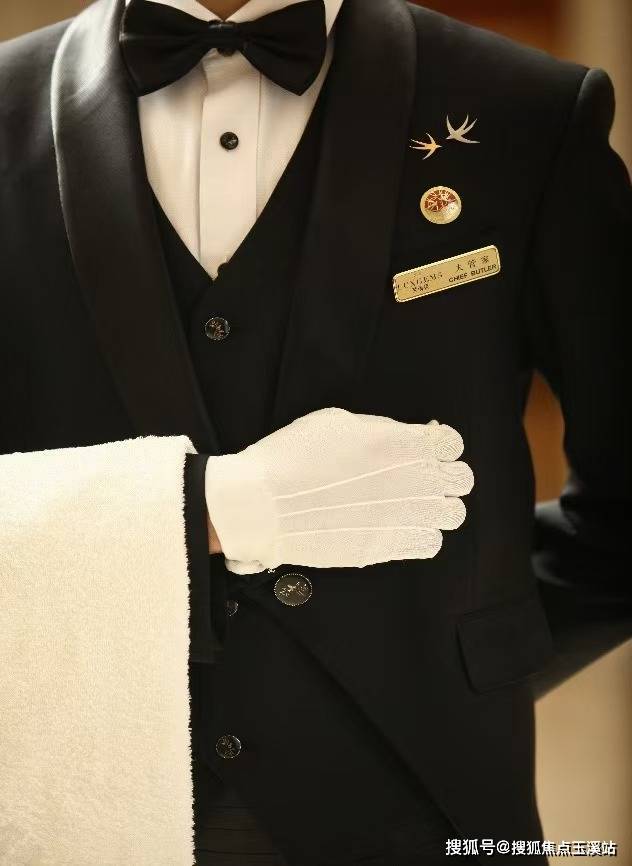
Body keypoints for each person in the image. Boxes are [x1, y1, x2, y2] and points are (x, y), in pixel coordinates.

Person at [0, 0, 630, 864]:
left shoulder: (527, 110)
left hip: (428, 806)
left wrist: (474, 646)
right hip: (67, 805)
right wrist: (199, 509)